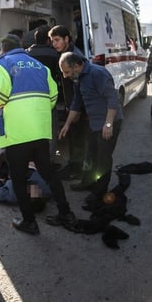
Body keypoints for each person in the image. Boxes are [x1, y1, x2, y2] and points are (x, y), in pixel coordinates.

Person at [0, 34, 76, 235]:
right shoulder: (39, 66)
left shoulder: (0, 64)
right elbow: (53, 96)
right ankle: (66, 213)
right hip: (41, 130)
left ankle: (29, 222)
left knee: (18, 179)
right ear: (21, 47)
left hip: (18, 132)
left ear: (3, 49)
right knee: (48, 173)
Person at [58, 51, 123, 206]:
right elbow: (76, 103)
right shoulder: (79, 78)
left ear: (76, 66)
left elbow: (113, 99)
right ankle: (87, 182)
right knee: (90, 155)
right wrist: (67, 124)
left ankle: (99, 192)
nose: (65, 76)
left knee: (103, 159)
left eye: (66, 72)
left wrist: (108, 124)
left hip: (109, 122)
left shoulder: (97, 73)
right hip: (94, 123)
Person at [48, 24, 87, 181]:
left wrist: (75, 109)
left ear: (66, 39)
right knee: (73, 137)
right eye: (52, 41)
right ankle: (74, 165)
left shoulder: (74, 57)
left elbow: (79, 87)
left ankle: (77, 169)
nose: (54, 44)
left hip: (77, 106)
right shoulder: (65, 53)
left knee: (77, 137)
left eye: (57, 40)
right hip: (71, 104)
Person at [27, 25, 62, 160]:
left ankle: (33, 159)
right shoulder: (55, 54)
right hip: (48, 97)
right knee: (51, 129)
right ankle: (50, 159)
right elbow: (60, 75)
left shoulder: (26, 54)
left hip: (29, 97)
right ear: (48, 40)